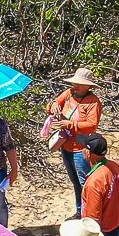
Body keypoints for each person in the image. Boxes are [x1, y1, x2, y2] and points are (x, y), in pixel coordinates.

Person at [42, 69, 102, 217]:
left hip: (81, 149)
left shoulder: (93, 102)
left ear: (88, 86)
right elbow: (52, 105)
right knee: (75, 181)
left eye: (80, 84)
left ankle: (90, 212)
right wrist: (53, 104)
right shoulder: (69, 93)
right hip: (66, 146)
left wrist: (70, 124)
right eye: (75, 83)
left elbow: (92, 125)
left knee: (85, 182)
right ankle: (80, 210)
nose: (76, 86)